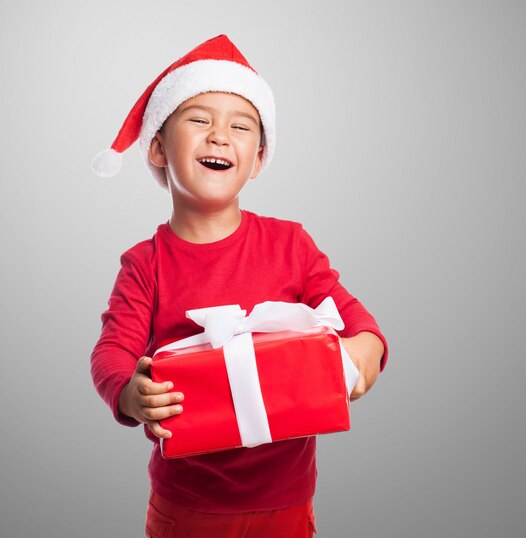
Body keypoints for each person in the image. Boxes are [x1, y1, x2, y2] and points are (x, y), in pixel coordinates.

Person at [90, 34, 388, 538]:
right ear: (158, 148)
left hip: (288, 502)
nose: (220, 136)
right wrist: (128, 392)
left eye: (240, 126)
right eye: (200, 120)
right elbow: (112, 351)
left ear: (257, 157)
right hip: (185, 507)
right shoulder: (145, 264)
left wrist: (363, 350)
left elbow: (360, 324)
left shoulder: (290, 244)